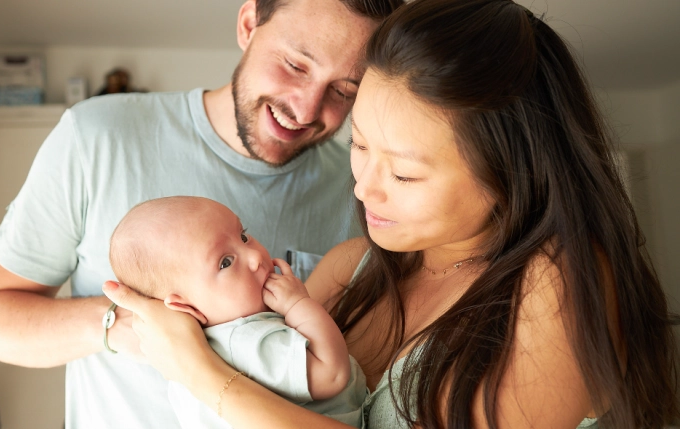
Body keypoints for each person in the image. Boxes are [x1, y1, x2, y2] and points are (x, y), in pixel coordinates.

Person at [104, 0, 680, 428]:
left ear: (512, 172)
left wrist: (196, 371)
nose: (364, 190)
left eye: (403, 174)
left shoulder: (558, 282)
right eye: (359, 147)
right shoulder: (350, 268)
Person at [0, 0, 403, 427]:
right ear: (248, 24)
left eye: (343, 90)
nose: (305, 108)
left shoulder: (363, 192)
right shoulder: (96, 137)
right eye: (295, 65)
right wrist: (124, 326)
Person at [109, 196, 368, 428]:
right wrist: (298, 304)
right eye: (225, 262)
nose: (255, 256)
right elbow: (331, 375)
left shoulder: (193, 358)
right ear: (185, 306)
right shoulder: (247, 341)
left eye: (243, 236)